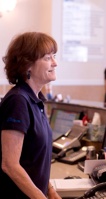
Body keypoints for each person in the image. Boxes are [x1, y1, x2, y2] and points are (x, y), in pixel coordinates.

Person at [0, 32, 61, 198]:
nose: (55, 63)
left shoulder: (36, 100)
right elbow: (9, 164)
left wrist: (50, 190)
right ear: (27, 65)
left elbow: (33, 161)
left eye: (54, 56)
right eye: (48, 58)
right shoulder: (18, 101)